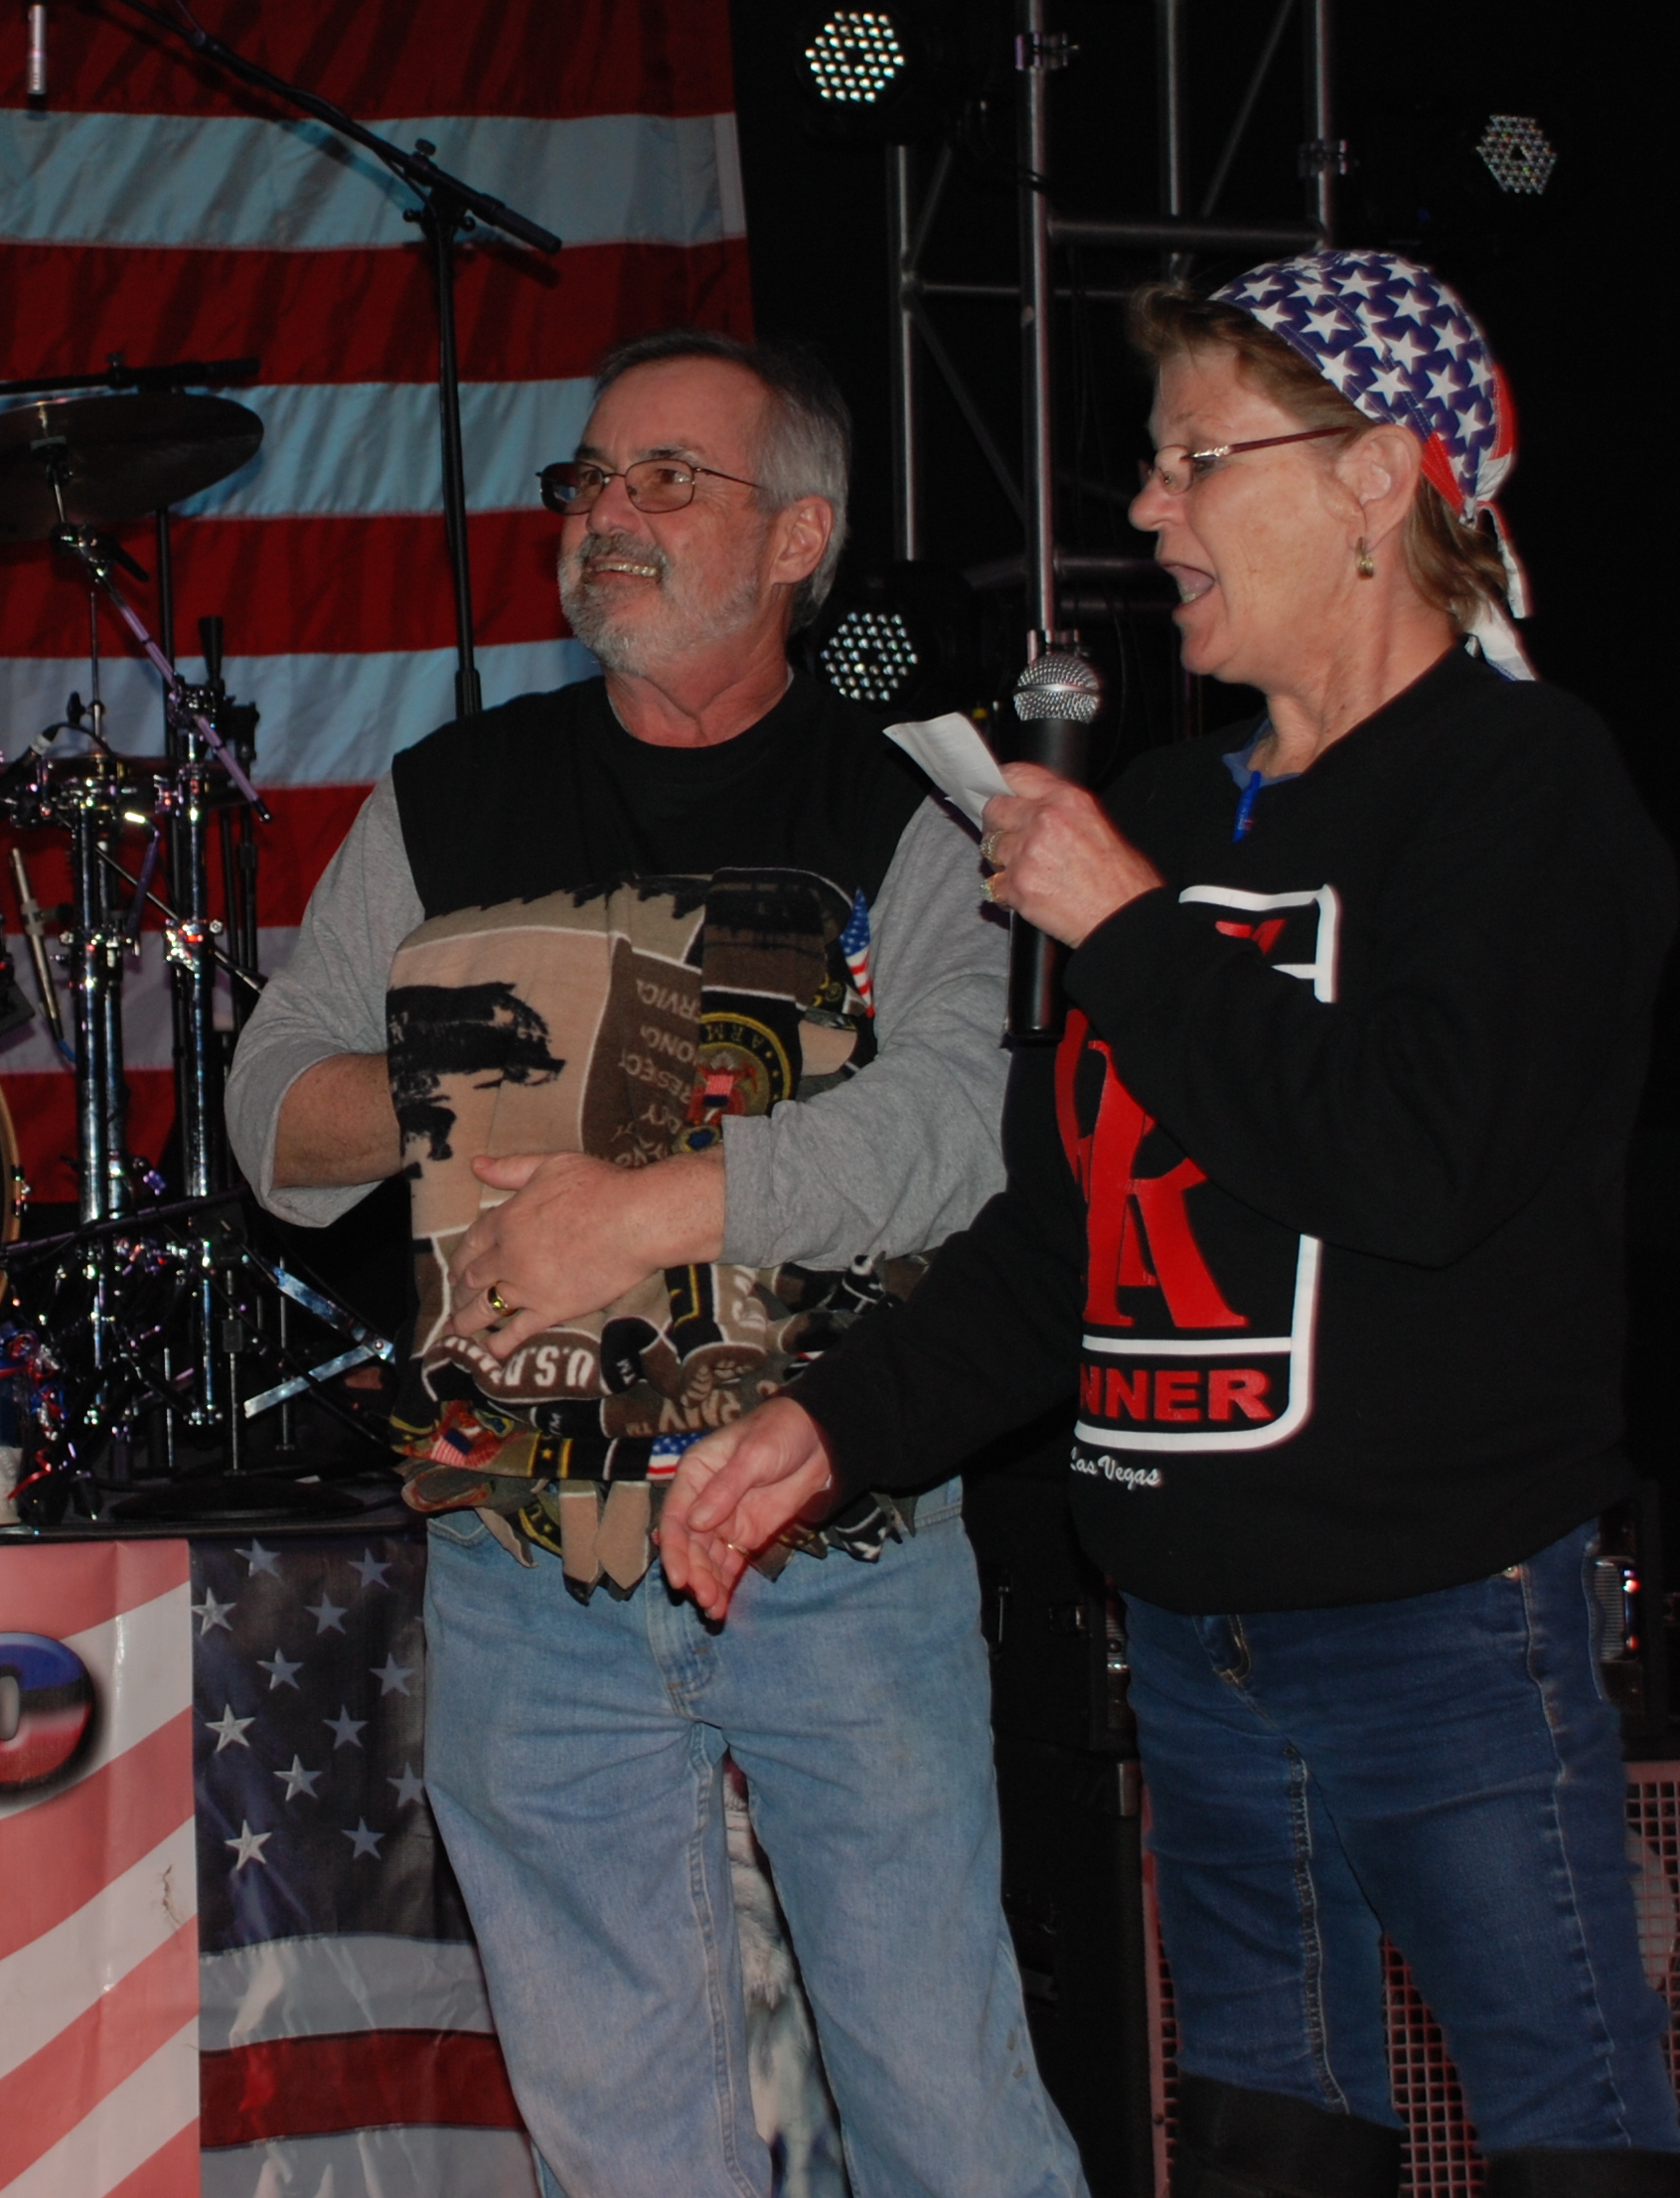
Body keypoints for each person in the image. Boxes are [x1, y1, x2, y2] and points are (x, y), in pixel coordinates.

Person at [671, 255, 1680, 2198]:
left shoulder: (1518, 787)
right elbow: (1062, 1238)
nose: (1147, 512)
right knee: (1263, 2150)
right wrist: (827, 1424)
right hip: (1190, 1632)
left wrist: (1131, 930)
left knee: (1574, 2149)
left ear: (1375, 477)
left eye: (1194, 458)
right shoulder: (1165, 802)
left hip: (1436, 1626)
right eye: (1152, 465)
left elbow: (1416, 1164)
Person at [231, 331, 1087, 2198]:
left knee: (946, 2108)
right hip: (525, 1564)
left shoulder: (917, 802)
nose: (606, 516)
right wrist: (469, 1067)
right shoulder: (452, 795)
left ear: (799, 539)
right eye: (590, 481)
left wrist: (653, 1202)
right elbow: (268, 1120)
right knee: (622, 2143)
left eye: (667, 481)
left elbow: (969, 1123)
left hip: (832, 1543)